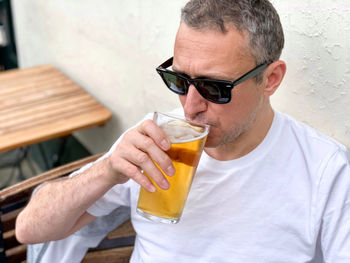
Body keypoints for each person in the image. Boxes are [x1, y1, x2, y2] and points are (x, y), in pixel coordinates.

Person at [16, 0, 350, 262]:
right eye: (180, 80)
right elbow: (29, 229)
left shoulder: (325, 172)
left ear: (271, 79)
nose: (190, 106)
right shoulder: (154, 138)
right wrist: (107, 170)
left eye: (214, 87)